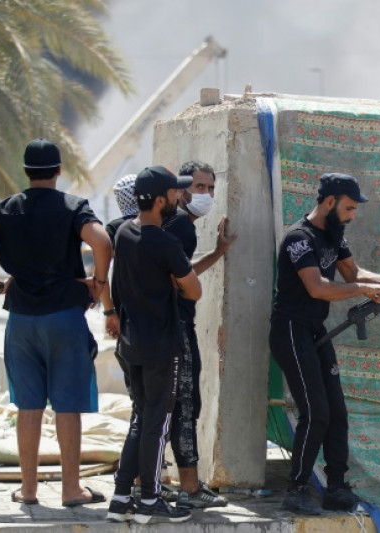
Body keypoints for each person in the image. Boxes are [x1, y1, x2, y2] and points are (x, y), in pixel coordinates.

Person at [0, 138, 112, 507]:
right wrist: (98, 284)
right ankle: (72, 489)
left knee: (28, 406)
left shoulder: (3, 209)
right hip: (64, 317)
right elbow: (102, 241)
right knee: (67, 405)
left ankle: (28, 490)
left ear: (25, 172)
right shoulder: (73, 207)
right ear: (59, 171)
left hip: (21, 319)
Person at [270, 172, 380, 515]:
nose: (352, 215)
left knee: (337, 412)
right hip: (290, 330)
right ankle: (298, 488)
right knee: (316, 412)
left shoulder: (334, 234)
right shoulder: (299, 239)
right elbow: (318, 287)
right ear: (329, 202)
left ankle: (336, 487)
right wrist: (365, 290)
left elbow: (352, 273)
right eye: (348, 208)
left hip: (315, 329)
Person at [106, 166, 201, 524]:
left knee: (139, 419)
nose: (181, 198)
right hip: (161, 346)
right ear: (160, 200)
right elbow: (195, 289)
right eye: (175, 193)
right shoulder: (164, 242)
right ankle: (149, 499)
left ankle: (120, 498)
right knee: (157, 424)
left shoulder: (124, 234)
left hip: (132, 344)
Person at [161, 160, 236, 508]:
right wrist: (193, 292)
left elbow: (183, 269)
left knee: (159, 406)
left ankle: (143, 480)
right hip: (175, 326)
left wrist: (218, 252)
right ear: (180, 190)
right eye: (198, 187)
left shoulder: (167, 223)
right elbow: (182, 281)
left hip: (158, 327)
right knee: (187, 404)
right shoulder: (181, 226)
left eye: (210, 188)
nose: (204, 194)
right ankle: (190, 487)